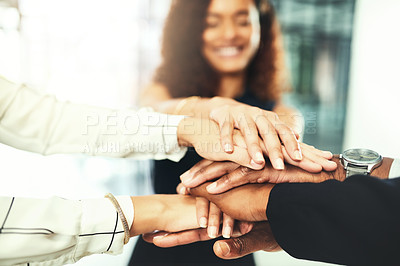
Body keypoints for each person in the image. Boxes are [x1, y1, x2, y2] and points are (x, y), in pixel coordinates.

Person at [131, 0, 336, 264]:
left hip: (233, 246)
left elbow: (282, 159)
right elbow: (151, 113)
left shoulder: (284, 114)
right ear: (191, 31)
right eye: (212, 23)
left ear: (260, 27)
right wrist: (212, 108)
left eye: (242, 21)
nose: (229, 33)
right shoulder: (163, 91)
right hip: (162, 246)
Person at [0, 74, 263, 265]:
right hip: (169, 233)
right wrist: (153, 211)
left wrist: (186, 130)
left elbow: (48, 119)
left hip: (222, 232)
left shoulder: (267, 100)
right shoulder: (165, 83)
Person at [147, 155, 400, 265]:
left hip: (227, 229)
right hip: (187, 232)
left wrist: (263, 201)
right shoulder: (164, 90)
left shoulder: (273, 103)